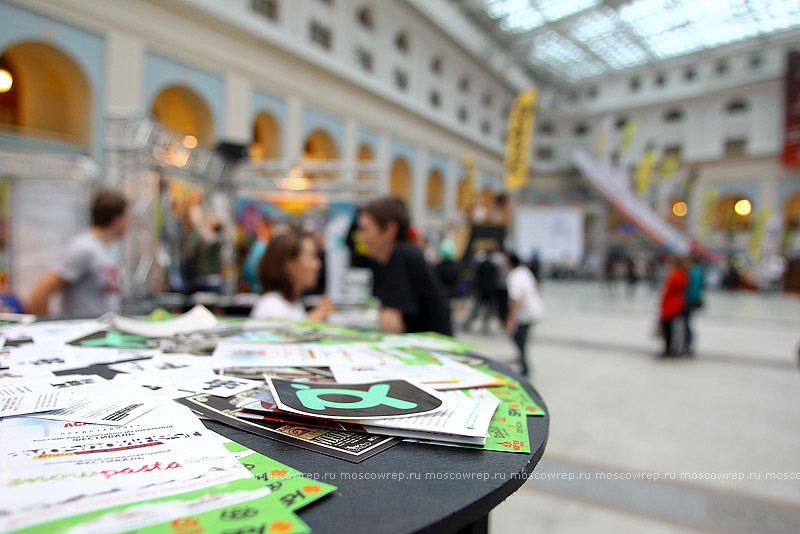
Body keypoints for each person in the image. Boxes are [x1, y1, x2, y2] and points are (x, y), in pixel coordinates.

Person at [357, 197, 452, 335]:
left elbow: (390, 325)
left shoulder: (401, 256)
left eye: (366, 230)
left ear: (390, 230)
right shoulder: (402, 254)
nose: (362, 238)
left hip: (431, 352)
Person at [28, 190, 129, 318]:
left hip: (104, 331)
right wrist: (45, 328)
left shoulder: (111, 247)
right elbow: (40, 293)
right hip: (83, 332)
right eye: (127, 217)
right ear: (117, 219)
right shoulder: (84, 248)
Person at [250, 233, 335, 321]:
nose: (318, 264)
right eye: (312, 256)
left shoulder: (293, 303)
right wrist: (310, 321)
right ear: (289, 266)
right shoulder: (271, 307)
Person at [505, 252, 544, 377]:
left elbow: (516, 299)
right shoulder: (525, 271)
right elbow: (536, 286)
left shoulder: (514, 276)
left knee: (519, 339)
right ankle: (522, 361)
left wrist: (511, 318)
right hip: (534, 309)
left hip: (525, 313)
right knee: (520, 339)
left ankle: (525, 367)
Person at [659, 255, 688, 357]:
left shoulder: (677, 274)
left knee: (669, 327)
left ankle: (669, 347)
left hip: (672, 304)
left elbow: (672, 288)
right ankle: (671, 347)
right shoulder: (680, 273)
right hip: (673, 303)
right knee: (671, 327)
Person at [462, 249, 498, 333]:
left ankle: (475, 325)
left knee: (478, 310)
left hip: (483, 290)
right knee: (479, 310)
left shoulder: (485, 265)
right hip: (486, 291)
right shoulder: (490, 266)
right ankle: (482, 326)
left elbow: (476, 277)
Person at [682, 256, 705, 356]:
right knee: (687, 322)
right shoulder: (699, 272)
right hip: (694, 300)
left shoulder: (692, 272)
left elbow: (690, 288)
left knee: (686, 322)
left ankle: (687, 344)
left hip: (689, 300)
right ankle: (687, 344)